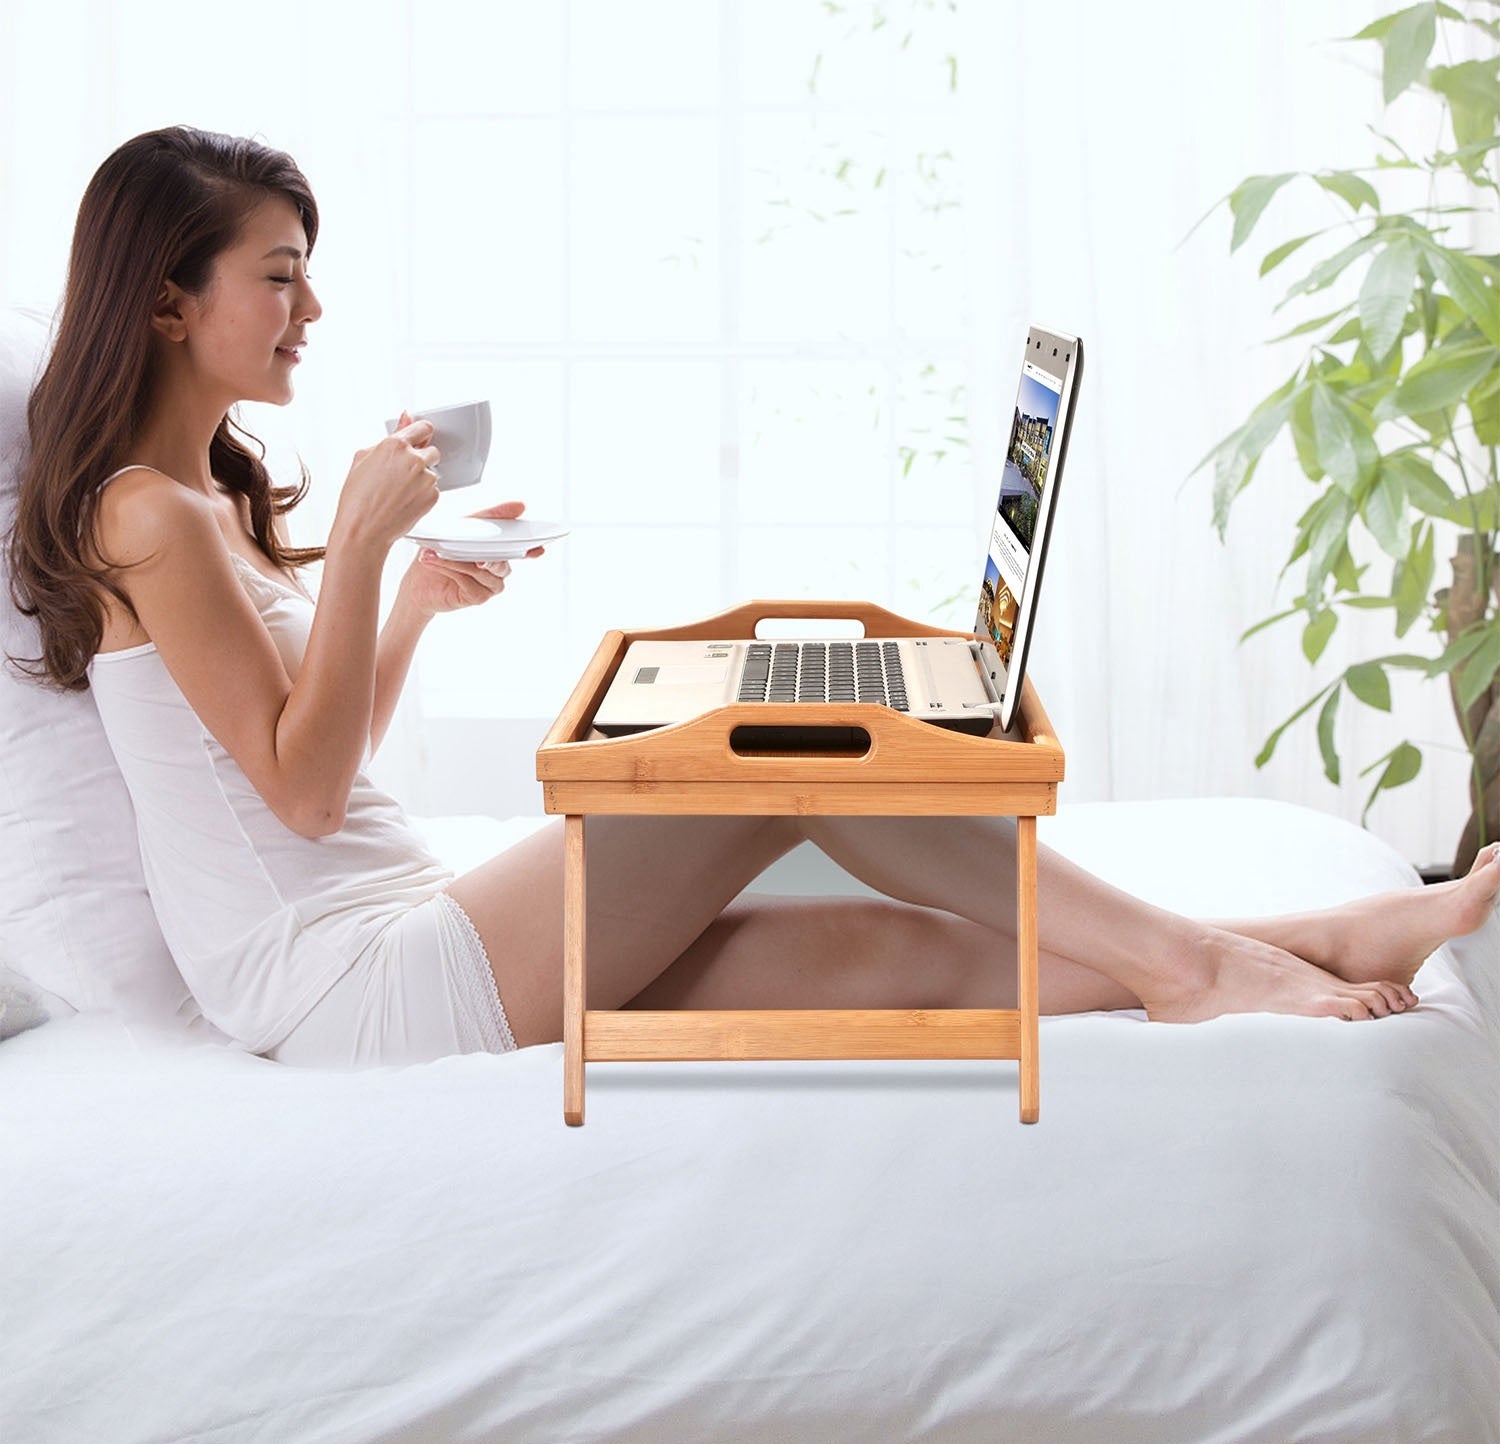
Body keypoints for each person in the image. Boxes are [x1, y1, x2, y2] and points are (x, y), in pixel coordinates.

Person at [8, 126, 1499, 1070]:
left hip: (401, 917)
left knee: (897, 956)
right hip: (343, 990)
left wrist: (404, 610)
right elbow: (304, 798)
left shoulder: (204, 492)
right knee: (779, 755)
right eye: (280, 277)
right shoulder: (147, 517)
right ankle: (1200, 967)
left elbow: (299, 752)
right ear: (165, 300)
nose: (311, 312)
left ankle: (1317, 938)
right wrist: (368, 551)